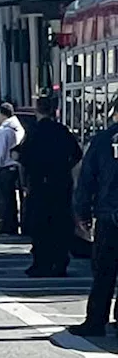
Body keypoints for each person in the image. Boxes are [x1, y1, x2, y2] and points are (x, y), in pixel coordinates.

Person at [18, 96, 83, 277]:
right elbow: (77, 154)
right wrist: (64, 168)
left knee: (40, 226)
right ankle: (60, 262)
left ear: (38, 110)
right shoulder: (62, 131)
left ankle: (41, 263)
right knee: (61, 223)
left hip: (39, 184)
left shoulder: (34, 132)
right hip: (60, 184)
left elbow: (24, 157)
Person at [72, 103, 118, 336]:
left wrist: (82, 212)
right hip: (109, 212)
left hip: (109, 216)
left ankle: (96, 320)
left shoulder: (102, 141)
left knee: (104, 272)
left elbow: (87, 179)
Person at [0, 102, 26, 235]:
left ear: (1, 114)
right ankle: (16, 225)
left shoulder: (3, 130)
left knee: (4, 199)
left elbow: (0, 151)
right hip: (16, 166)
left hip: (5, 168)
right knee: (15, 198)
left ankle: (6, 225)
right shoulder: (19, 128)